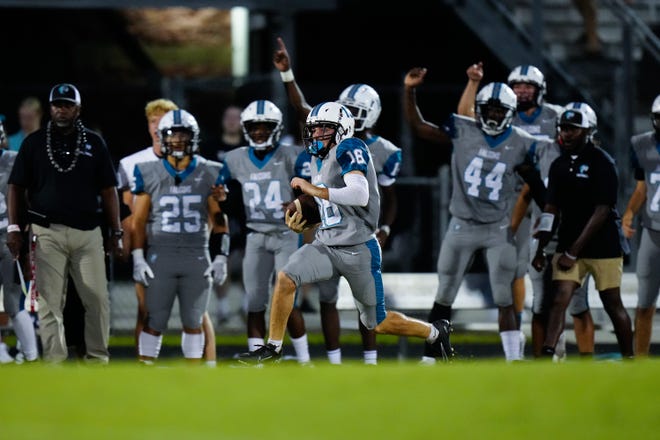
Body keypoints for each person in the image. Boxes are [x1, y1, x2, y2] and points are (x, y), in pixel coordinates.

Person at [237, 101, 452, 365]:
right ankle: (273, 348)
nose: (316, 134)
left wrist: (311, 190)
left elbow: (359, 195)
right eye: (314, 129)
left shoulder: (351, 146)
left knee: (377, 323)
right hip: (326, 244)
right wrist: (305, 222)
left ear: (342, 129)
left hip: (359, 248)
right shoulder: (319, 157)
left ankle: (433, 331)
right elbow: (331, 208)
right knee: (286, 278)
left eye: (324, 128)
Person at [404, 67, 548, 362]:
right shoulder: (464, 129)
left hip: (498, 226)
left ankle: (512, 358)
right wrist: (409, 91)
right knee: (444, 292)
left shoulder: (522, 142)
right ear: (479, 111)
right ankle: (432, 356)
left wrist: (548, 219)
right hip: (463, 224)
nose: (493, 116)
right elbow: (419, 127)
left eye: (499, 110)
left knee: (504, 295)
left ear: (510, 112)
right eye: (488, 110)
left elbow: (539, 187)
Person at [273, 36, 403, 364]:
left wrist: (384, 228)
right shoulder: (326, 138)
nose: (352, 117)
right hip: (330, 232)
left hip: (360, 234)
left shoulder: (381, 151)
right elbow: (304, 110)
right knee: (327, 298)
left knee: (369, 306)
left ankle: (371, 360)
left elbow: (385, 196)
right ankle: (333, 361)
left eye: (358, 112)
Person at [6, 83, 122, 363]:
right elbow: (15, 187)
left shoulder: (94, 142)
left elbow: (109, 190)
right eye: (57, 104)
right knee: (49, 303)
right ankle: (54, 363)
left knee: (96, 299)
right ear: (50, 108)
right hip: (47, 232)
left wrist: (115, 231)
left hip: (88, 233)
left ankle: (97, 359)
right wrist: (14, 227)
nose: (62, 109)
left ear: (78, 109)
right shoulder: (34, 143)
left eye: (68, 105)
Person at [116, 98, 219, 365]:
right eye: (154, 120)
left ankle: (207, 366)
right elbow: (131, 215)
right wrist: (133, 252)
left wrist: (207, 248)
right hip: (154, 246)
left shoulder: (206, 168)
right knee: (149, 312)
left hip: (192, 249)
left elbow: (215, 216)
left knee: (196, 314)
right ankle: (145, 364)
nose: (162, 128)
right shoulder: (136, 164)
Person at [531, 106, 634, 359]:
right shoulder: (558, 165)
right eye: (563, 128)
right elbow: (550, 209)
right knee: (559, 299)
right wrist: (542, 247)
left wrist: (573, 252)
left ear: (588, 131)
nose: (566, 134)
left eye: (572, 129)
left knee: (612, 303)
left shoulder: (603, 162)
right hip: (568, 243)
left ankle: (630, 358)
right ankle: (547, 355)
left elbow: (602, 212)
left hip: (604, 246)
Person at [217, 99, 311, 364]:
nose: (258, 131)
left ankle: (305, 359)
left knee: (286, 296)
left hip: (286, 234)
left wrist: (299, 202)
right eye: (254, 127)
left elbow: (314, 192)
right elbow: (219, 192)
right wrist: (220, 196)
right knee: (255, 301)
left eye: (264, 126)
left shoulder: (293, 155)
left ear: (277, 128)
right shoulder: (234, 158)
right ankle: (258, 360)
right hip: (255, 235)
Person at [198, 104, 246, 325]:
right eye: (228, 116)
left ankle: (247, 302)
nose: (232, 121)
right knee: (221, 256)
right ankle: (223, 306)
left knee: (248, 258)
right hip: (219, 209)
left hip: (246, 211)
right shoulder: (210, 147)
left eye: (237, 117)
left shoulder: (249, 147)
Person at [621, 94, 660, 357]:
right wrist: (628, 214)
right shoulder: (642, 144)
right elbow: (642, 187)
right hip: (653, 232)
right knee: (645, 303)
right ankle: (640, 362)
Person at [0, 130, 39, 363]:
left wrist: (28, 237)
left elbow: (29, 198)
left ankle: (32, 355)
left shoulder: (14, 159)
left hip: (8, 239)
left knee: (14, 303)